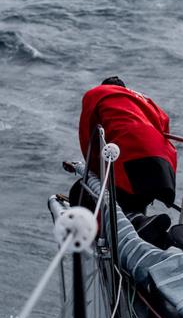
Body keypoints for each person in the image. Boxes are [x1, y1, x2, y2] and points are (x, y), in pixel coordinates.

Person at [71, 77, 177, 247]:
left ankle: (117, 233)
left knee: (85, 192)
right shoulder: (146, 101)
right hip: (164, 167)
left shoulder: (97, 94)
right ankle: (143, 223)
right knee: (133, 196)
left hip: (132, 160)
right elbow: (164, 125)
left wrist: (94, 173)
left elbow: (88, 136)